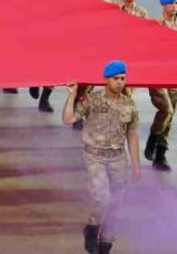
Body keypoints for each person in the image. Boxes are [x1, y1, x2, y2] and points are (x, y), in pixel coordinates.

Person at [63, 60, 139, 254]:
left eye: (123, 78)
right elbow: (68, 119)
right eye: (116, 79)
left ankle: (105, 243)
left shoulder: (129, 105)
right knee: (102, 198)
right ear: (106, 80)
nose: (120, 82)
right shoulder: (91, 100)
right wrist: (72, 96)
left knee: (117, 203)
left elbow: (132, 134)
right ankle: (91, 230)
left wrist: (136, 165)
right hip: (94, 156)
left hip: (118, 159)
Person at [144, 0, 177, 172]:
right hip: (157, 76)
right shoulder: (155, 25)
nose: (174, 6)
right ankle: (153, 137)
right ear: (162, 5)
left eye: (176, 3)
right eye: (170, 3)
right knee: (167, 109)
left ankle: (160, 155)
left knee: (169, 117)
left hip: (175, 78)